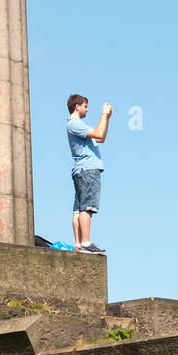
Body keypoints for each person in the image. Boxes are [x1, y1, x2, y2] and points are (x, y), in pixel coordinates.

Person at [66, 94, 112, 254]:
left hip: (81, 170)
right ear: (77, 107)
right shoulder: (75, 124)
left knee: (79, 208)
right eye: (85, 106)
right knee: (87, 207)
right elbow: (99, 134)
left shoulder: (77, 126)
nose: (87, 109)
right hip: (88, 169)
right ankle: (85, 243)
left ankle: (79, 244)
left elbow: (101, 138)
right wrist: (104, 115)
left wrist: (107, 119)